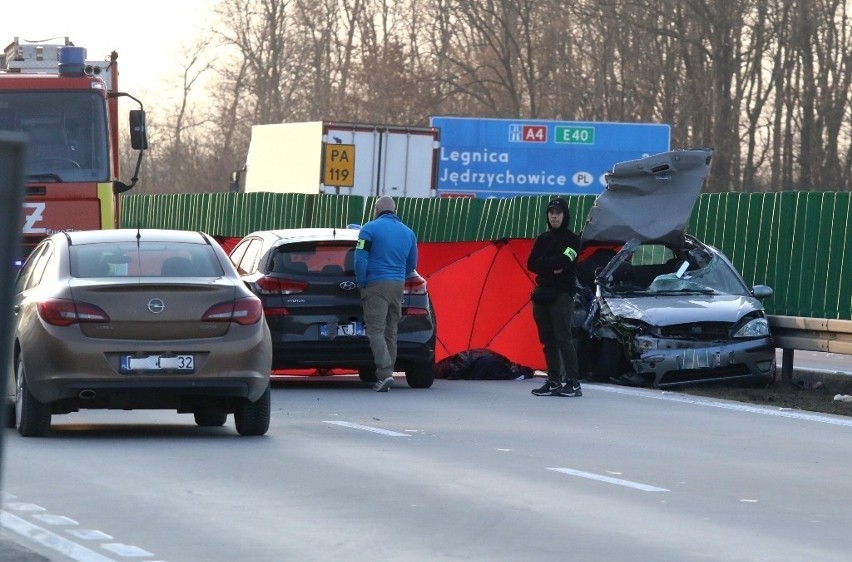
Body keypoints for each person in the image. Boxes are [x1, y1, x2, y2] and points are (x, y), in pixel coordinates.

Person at [355, 196, 418, 392]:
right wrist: (399, 275)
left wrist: (362, 282)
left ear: (376, 210)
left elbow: (360, 259)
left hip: (375, 284)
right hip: (397, 284)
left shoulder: (369, 229)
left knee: (375, 330)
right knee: (391, 330)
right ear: (394, 210)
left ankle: (384, 373)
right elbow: (412, 263)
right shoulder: (409, 233)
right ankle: (388, 373)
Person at [527, 197, 583, 397]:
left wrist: (546, 264)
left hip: (562, 294)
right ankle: (553, 381)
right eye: (551, 213)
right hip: (542, 295)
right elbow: (532, 264)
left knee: (563, 339)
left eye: (558, 213)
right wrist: (552, 267)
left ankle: (573, 382)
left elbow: (566, 259)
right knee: (547, 340)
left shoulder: (572, 239)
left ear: (564, 215)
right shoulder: (542, 239)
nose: (554, 216)